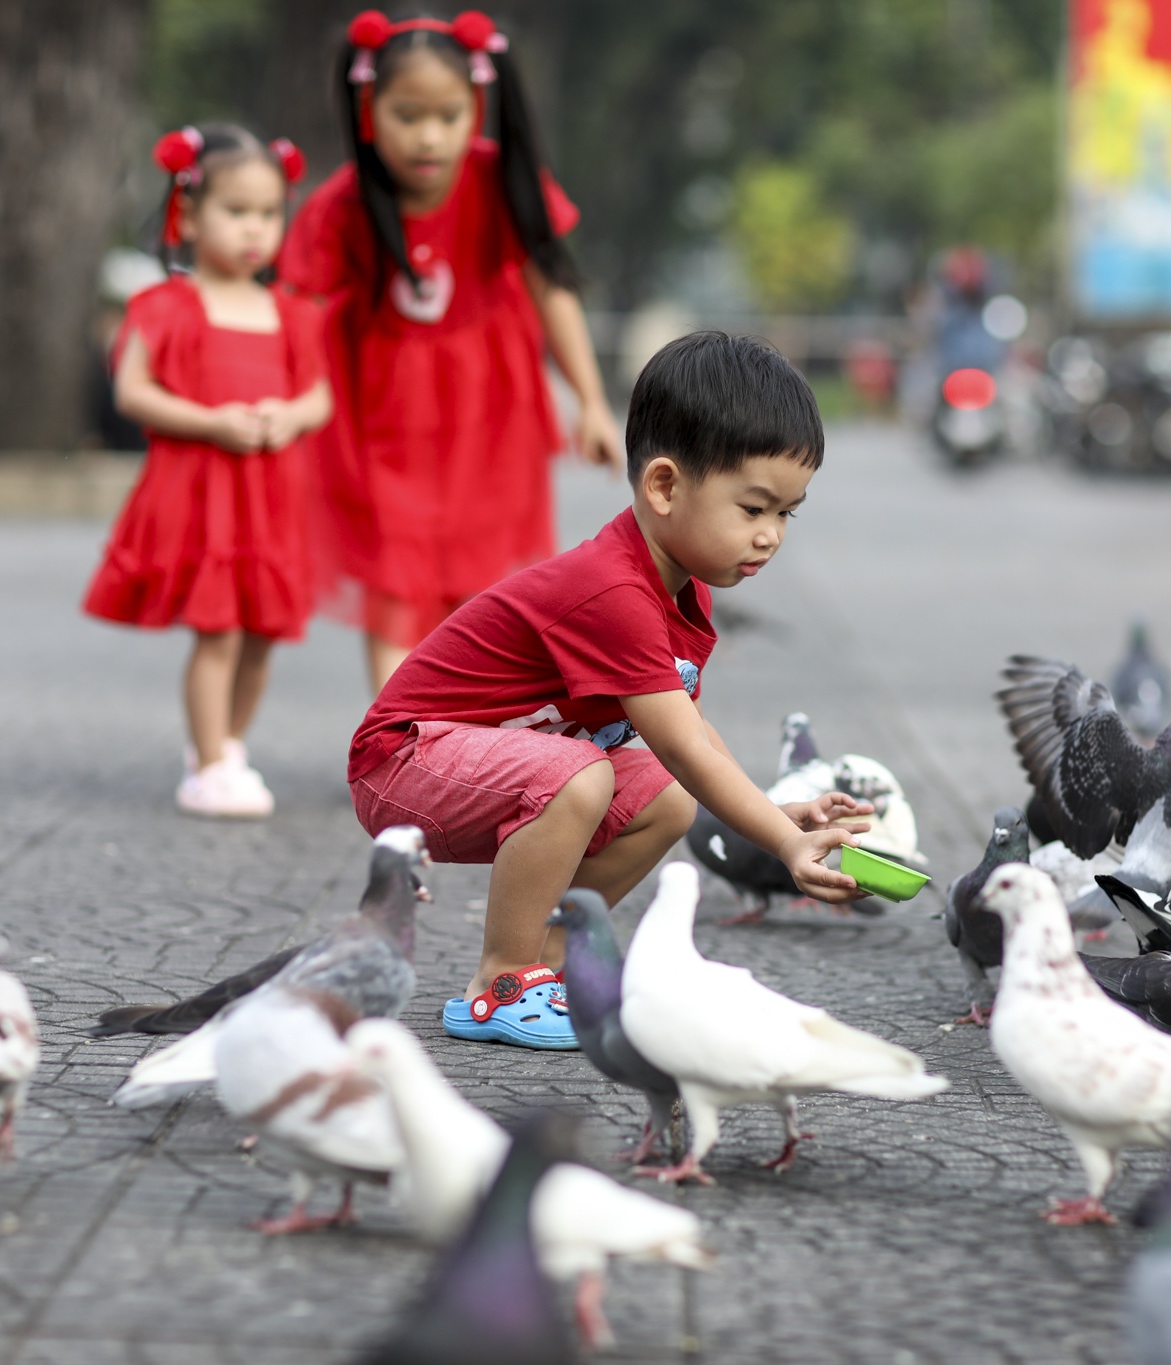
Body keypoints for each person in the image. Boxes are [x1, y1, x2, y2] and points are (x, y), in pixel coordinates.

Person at [348, 332, 870, 1048]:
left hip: (494, 759)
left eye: (787, 512)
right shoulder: (615, 591)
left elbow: (685, 742)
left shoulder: (682, 587)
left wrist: (779, 810)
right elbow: (688, 744)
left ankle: (552, 966)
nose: (771, 536)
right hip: (401, 763)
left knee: (664, 794)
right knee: (584, 776)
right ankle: (500, 982)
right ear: (663, 487)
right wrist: (783, 843)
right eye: (752, 509)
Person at [280, 8, 622, 696]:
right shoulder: (345, 203)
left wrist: (590, 402)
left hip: (489, 418)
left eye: (449, 114)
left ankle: (463, 733)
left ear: (479, 107)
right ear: (368, 108)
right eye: (407, 115)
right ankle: (398, 734)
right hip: (380, 422)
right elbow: (298, 309)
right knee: (396, 580)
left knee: (482, 580)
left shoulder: (501, 182)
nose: (429, 136)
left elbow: (553, 291)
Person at [82, 125, 331, 818]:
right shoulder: (165, 306)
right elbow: (133, 391)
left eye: (268, 213)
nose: (254, 229)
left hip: (270, 494)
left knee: (262, 633)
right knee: (218, 627)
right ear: (188, 213)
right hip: (206, 493)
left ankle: (226, 744)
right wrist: (214, 420)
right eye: (235, 211)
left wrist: (289, 415)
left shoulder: (291, 313)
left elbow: (319, 394)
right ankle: (211, 761)